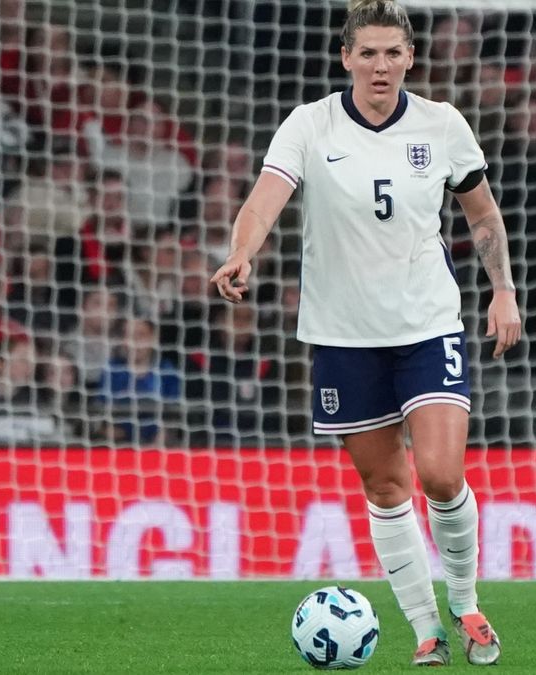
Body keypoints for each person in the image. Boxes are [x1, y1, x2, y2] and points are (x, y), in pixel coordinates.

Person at [210, 1, 520, 666]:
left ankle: (466, 602)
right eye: (369, 53)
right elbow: (264, 199)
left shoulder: (441, 124)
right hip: (344, 336)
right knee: (385, 487)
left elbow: (482, 215)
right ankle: (426, 630)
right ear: (346, 57)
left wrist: (503, 290)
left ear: (410, 58)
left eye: (392, 53)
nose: (381, 66)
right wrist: (241, 251)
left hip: (426, 324)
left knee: (440, 474)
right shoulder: (310, 124)